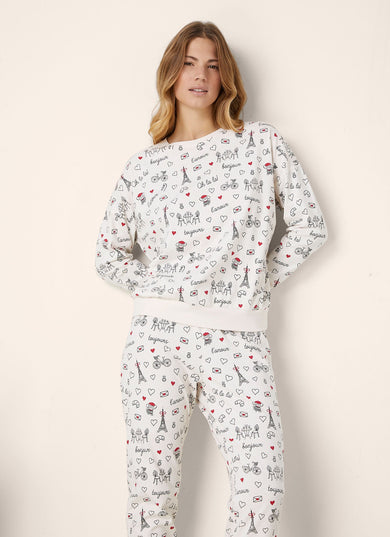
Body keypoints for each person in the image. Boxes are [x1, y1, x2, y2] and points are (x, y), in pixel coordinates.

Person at [94, 20, 328, 537]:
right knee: (150, 499)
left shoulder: (260, 144)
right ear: (171, 74)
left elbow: (310, 226)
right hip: (157, 342)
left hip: (238, 340)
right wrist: (162, 287)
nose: (201, 75)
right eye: (189, 63)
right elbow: (108, 255)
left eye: (213, 65)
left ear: (226, 79)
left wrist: (258, 280)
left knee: (261, 489)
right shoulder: (143, 166)